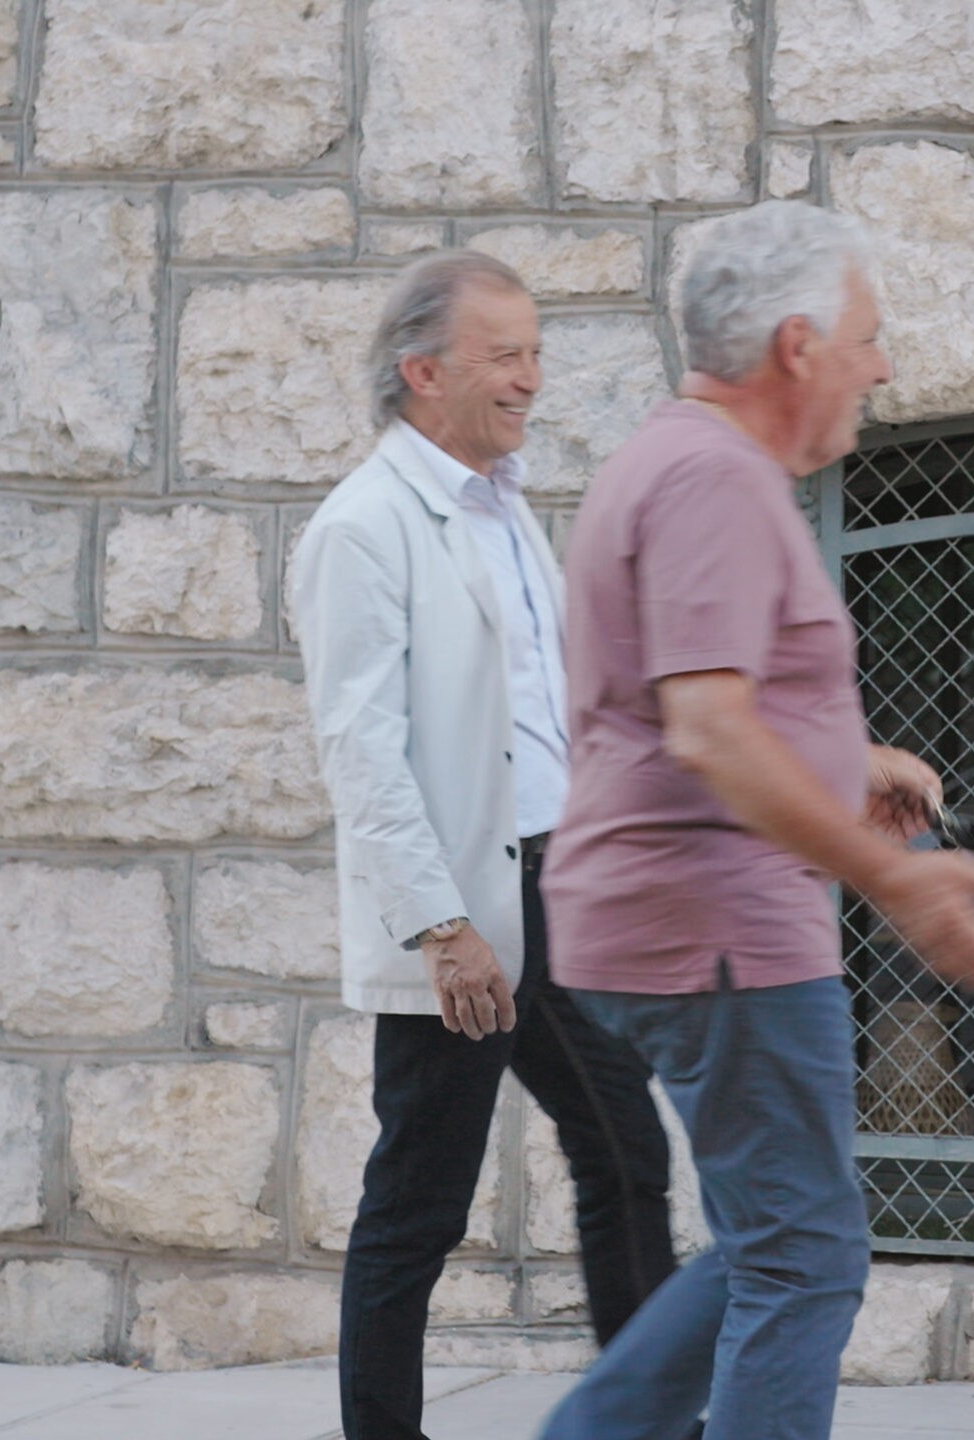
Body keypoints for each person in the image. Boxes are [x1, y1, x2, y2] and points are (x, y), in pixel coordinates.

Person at [533, 200, 974, 1440]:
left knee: (779, 1235)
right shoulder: (714, 477)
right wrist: (900, 880)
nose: (884, 365)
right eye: (869, 338)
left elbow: (689, 703)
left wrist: (838, 757)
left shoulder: (672, 457)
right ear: (800, 346)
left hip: (671, 914)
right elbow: (707, 728)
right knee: (802, 1260)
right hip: (723, 928)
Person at [292, 250, 681, 1440]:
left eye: (535, 351)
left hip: (551, 889)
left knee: (622, 1150)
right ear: (422, 372)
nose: (532, 380)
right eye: (505, 355)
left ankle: (650, 1421)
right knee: (419, 1199)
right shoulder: (361, 530)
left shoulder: (503, 505)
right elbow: (361, 751)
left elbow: (545, 716)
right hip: (460, 913)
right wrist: (441, 927)